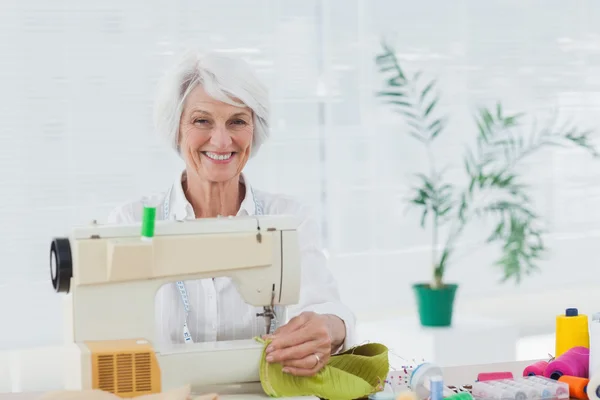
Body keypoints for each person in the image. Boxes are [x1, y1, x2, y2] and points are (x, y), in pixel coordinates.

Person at [107, 49, 356, 377]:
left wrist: (329, 327)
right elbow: (108, 338)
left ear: (255, 129)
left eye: (237, 121)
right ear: (177, 128)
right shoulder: (132, 223)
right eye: (202, 121)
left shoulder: (289, 219)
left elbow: (327, 308)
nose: (222, 140)